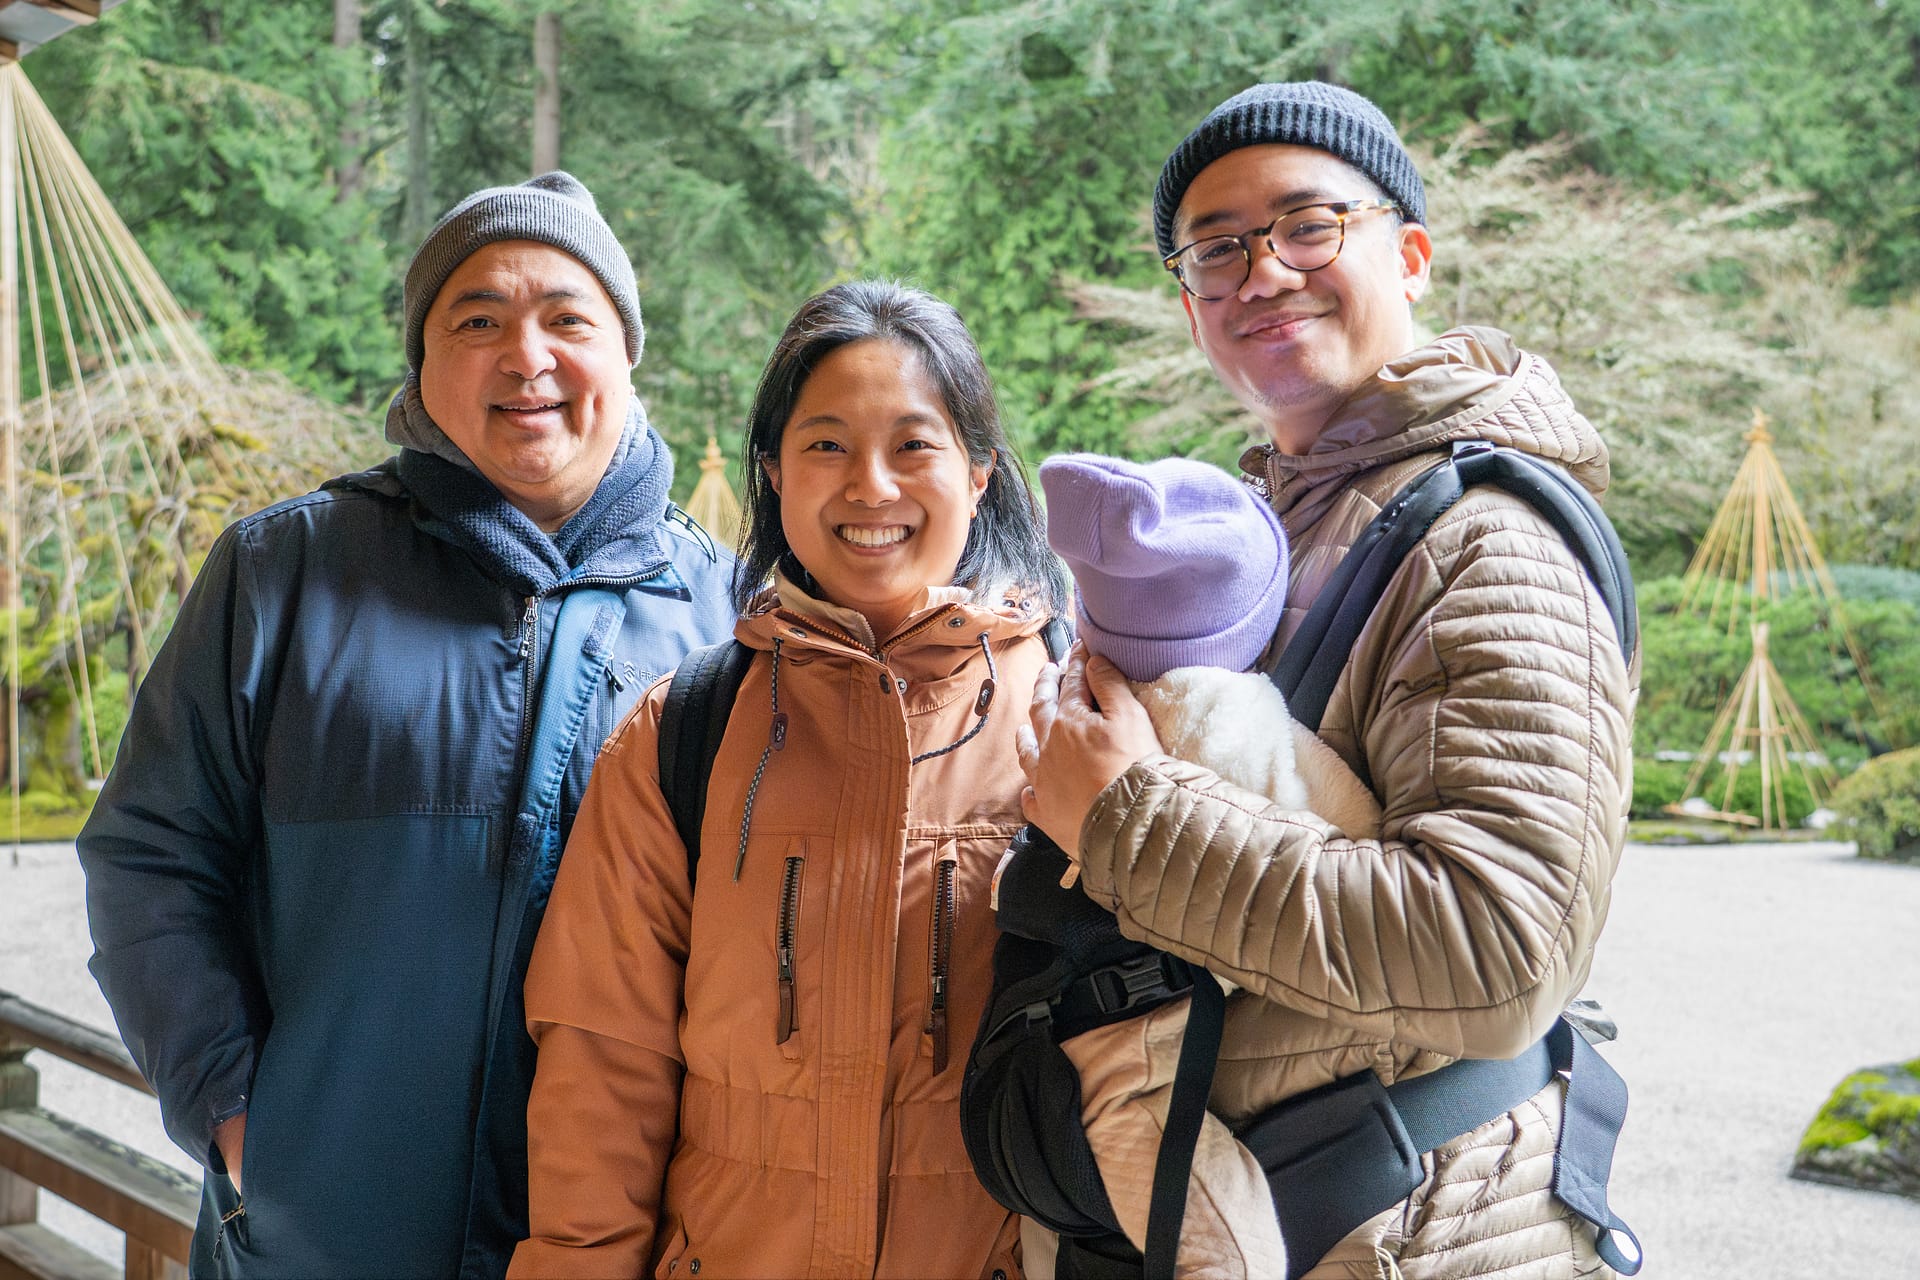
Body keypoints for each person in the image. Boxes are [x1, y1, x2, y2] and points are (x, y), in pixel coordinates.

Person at [1015, 82, 1639, 1277]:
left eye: (1308, 226)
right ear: (1191, 304)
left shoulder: (1488, 539)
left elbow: (1496, 948)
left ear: (1409, 253)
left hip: (1421, 1224)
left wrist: (1122, 818)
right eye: (1217, 248)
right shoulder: (1282, 533)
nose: (1262, 271)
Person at [77, 171, 737, 1280]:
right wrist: (242, 1124)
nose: (526, 357)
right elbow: (147, 856)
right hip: (318, 1233)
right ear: (424, 364)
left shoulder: (726, 616)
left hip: (623, 1243)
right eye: (476, 318)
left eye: (566, 318)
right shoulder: (282, 573)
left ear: (627, 352)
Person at [508, 280, 1065, 1279]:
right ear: (771, 470)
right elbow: (603, 1065)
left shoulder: (1068, 718)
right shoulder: (683, 732)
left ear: (979, 471)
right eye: (826, 445)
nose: (872, 486)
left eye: (914, 444)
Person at [1010, 452, 1383, 1277]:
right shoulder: (1236, 715)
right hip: (1146, 1029)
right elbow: (1358, 840)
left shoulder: (1067, 691)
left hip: (1076, 1005)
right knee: (1222, 1240)